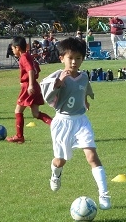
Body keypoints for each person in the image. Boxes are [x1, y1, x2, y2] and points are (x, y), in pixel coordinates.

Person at [39, 36, 111, 210]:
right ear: (62, 58)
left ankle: (104, 194)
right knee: (60, 161)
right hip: (62, 123)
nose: (74, 62)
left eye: (78, 58)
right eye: (70, 58)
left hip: (81, 121)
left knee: (92, 156)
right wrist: (59, 83)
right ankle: (55, 174)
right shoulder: (56, 77)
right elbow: (46, 95)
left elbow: (84, 88)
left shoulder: (84, 76)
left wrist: (85, 100)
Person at [7, 36, 53, 143]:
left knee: (18, 111)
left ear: (17, 48)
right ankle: (55, 124)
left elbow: (31, 70)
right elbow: (37, 68)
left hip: (29, 87)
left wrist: (30, 84)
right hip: (35, 86)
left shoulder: (23, 57)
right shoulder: (28, 55)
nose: (12, 50)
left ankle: (19, 136)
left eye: (13, 48)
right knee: (36, 113)